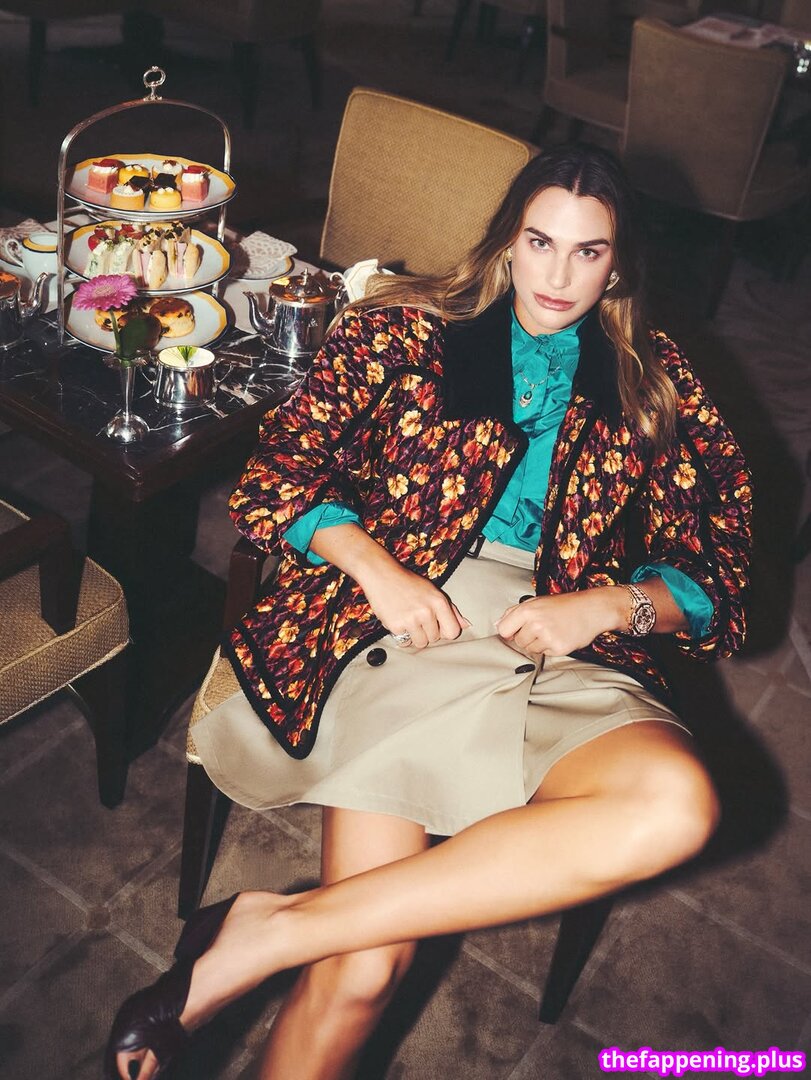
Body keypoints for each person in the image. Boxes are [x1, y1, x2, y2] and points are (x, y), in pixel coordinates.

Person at [105, 143, 752, 1080]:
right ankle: (277, 939)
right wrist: (377, 570)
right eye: (539, 241)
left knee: (675, 806)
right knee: (364, 972)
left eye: (587, 251)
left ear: (618, 265)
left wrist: (609, 603)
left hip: (567, 642)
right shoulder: (404, 330)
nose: (557, 275)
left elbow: (720, 572)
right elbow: (277, 474)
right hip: (406, 621)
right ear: (506, 240)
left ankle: (271, 929)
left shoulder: (655, 380)